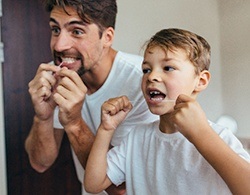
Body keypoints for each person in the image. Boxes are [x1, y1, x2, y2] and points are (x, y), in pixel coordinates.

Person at [84, 28, 250, 195]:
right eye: (146, 70)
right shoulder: (137, 137)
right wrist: (106, 130)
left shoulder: (219, 136)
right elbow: (93, 184)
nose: (151, 76)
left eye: (168, 68)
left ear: (200, 81)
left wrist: (201, 133)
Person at [25, 0, 158, 194]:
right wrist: (42, 117)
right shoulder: (57, 77)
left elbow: (122, 189)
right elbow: (40, 163)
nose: (60, 45)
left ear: (107, 37)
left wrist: (74, 123)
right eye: (55, 29)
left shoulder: (143, 83)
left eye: (76, 31)